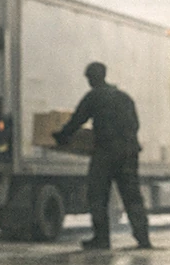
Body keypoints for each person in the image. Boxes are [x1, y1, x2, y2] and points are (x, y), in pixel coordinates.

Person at [53, 62, 151, 250]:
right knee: (132, 196)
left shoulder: (94, 97)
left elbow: (77, 120)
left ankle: (102, 239)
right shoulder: (124, 97)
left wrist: (61, 136)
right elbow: (136, 124)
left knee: (97, 195)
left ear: (92, 78)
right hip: (129, 152)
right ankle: (143, 238)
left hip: (106, 153)